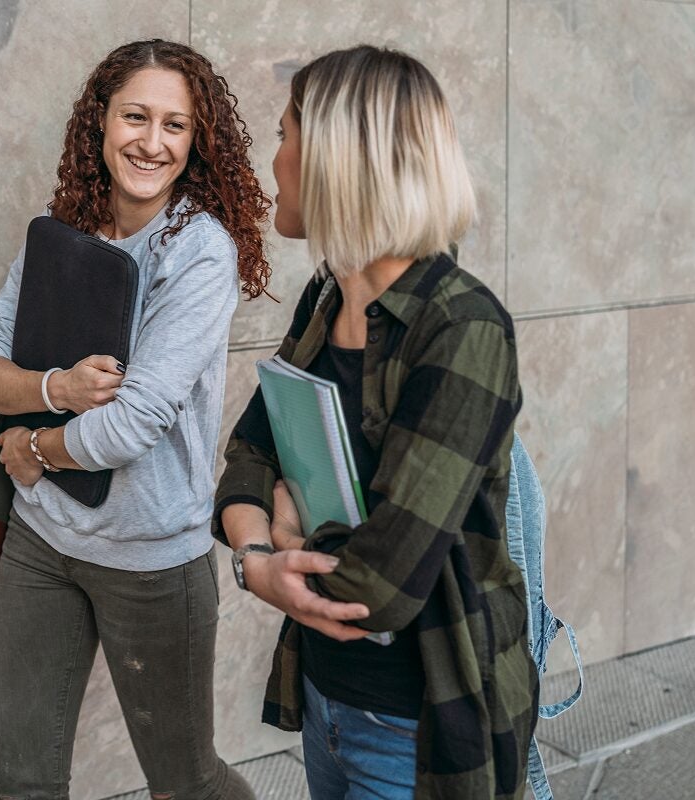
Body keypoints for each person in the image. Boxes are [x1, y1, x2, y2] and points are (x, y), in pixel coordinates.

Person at [214, 46, 538, 799]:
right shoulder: (325, 300)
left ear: (335, 157)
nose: (276, 161)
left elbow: (380, 585)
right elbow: (247, 457)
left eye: (286, 135)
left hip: (417, 728)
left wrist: (276, 546)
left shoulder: (462, 326)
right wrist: (263, 557)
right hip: (326, 699)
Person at [0, 39, 269, 800]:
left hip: (152, 561)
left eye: (175, 126)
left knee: (186, 783)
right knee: (25, 783)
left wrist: (33, 443)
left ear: (196, 143)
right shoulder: (64, 228)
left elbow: (133, 424)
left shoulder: (199, 253)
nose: (152, 142)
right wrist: (58, 388)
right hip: (41, 543)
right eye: (136, 116)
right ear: (101, 122)